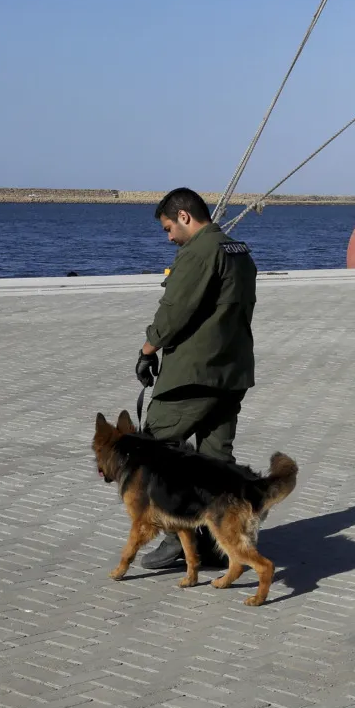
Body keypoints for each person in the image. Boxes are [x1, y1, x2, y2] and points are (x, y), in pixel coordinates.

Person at [133, 187, 259, 570]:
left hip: (193, 377)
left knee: (152, 453)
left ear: (185, 216)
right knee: (215, 464)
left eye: (169, 227)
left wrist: (147, 351)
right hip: (231, 373)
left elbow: (175, 311)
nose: (169, 237)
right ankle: (222, 544)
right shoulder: (239, 251)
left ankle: (177, 540)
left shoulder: (199, 253)